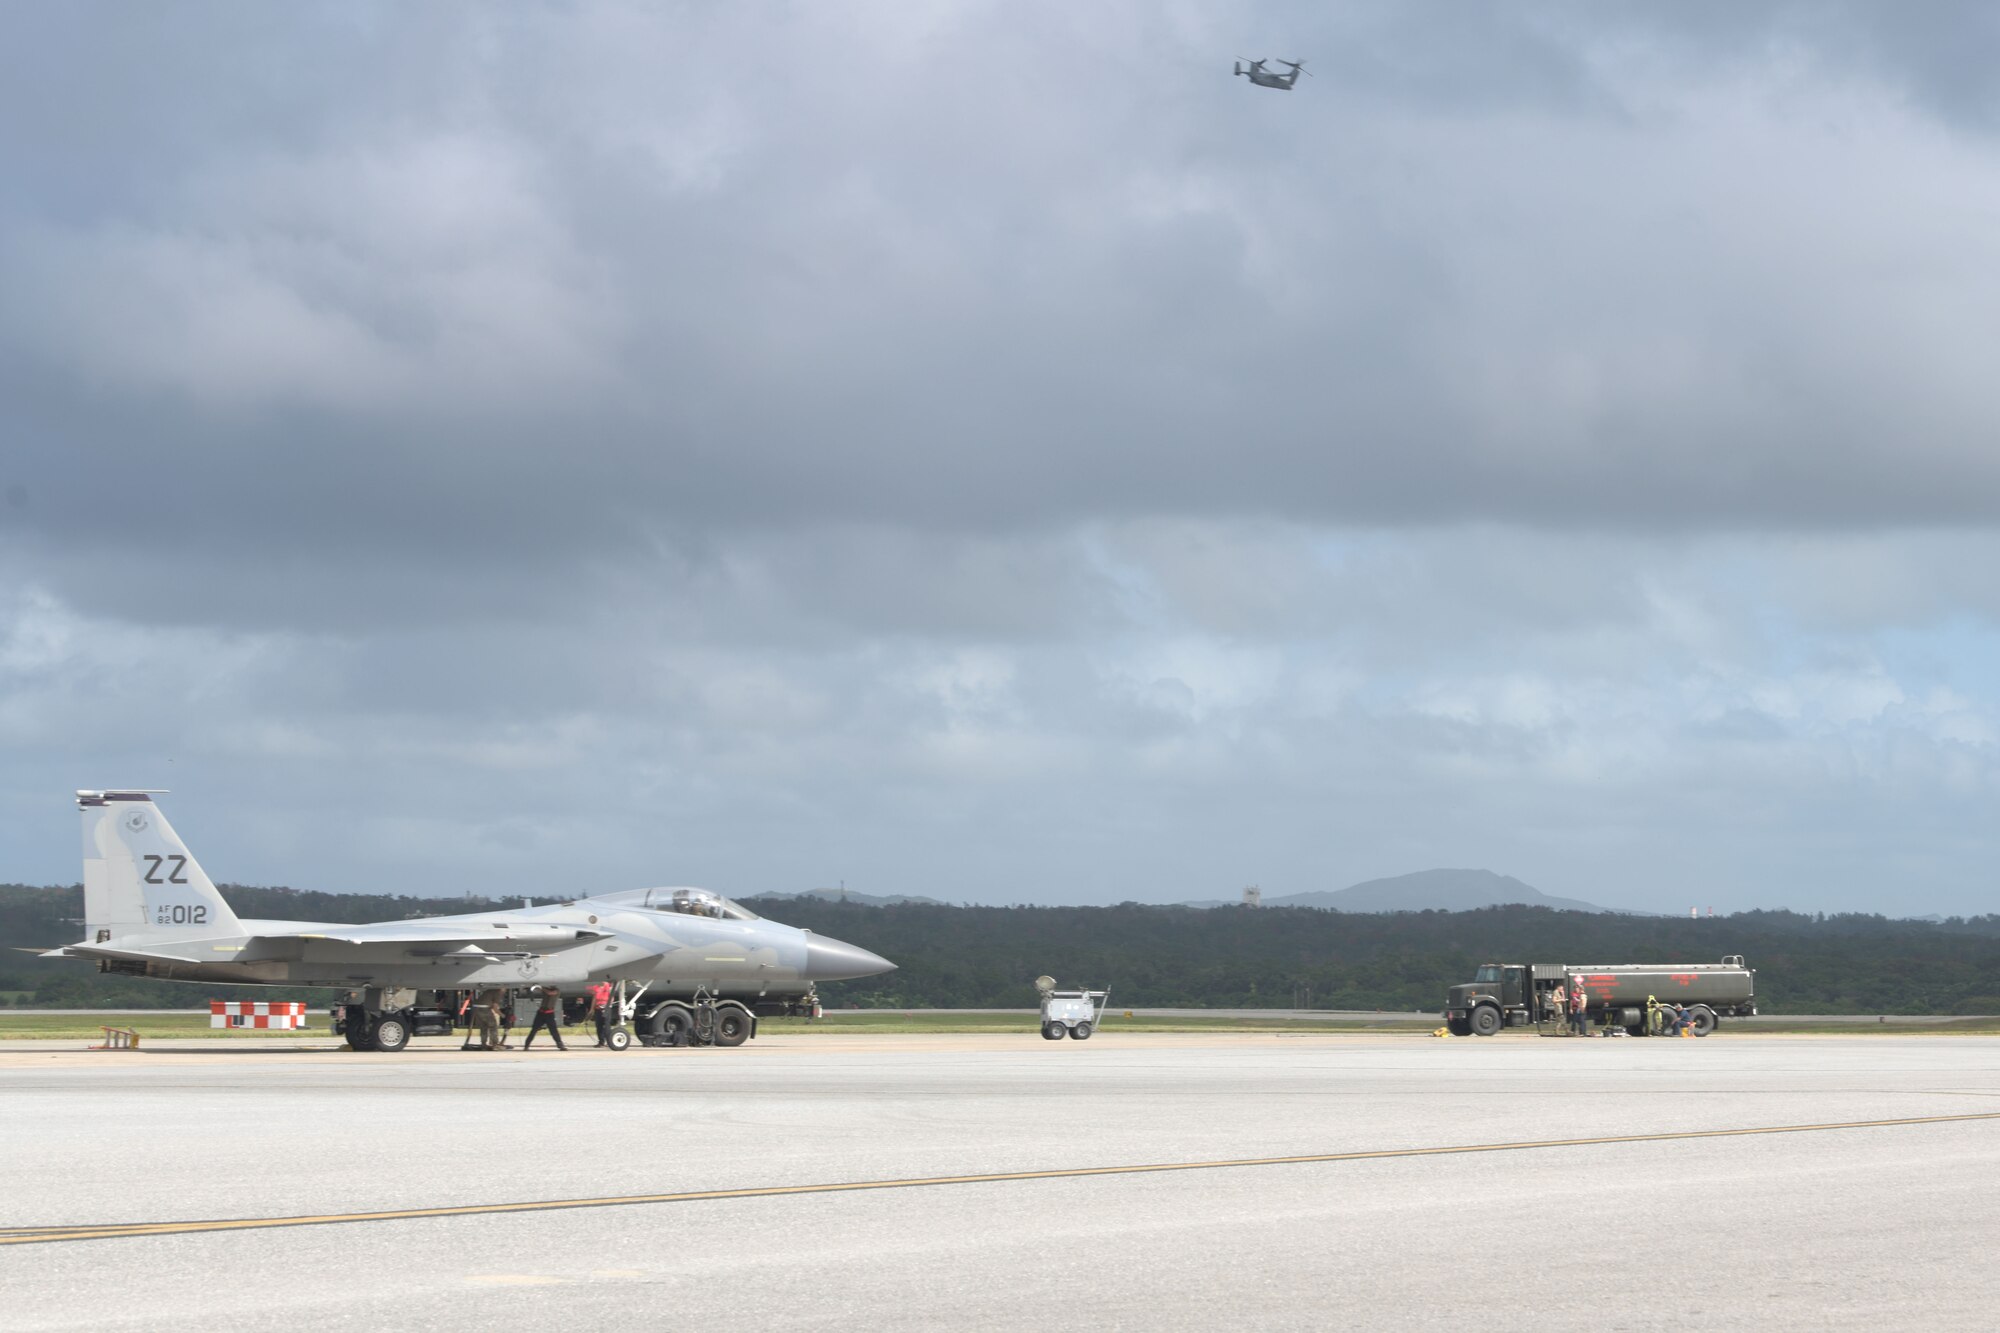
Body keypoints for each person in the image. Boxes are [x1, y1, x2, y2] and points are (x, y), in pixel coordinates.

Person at [523, 985, 567, 1051]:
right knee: (534, 1030)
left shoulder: (556, 991)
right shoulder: (545, 989)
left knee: (553, 1031)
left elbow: (550, 993)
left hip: (549, 1013)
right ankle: (526, 1045)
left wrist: (541, 987)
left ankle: (560, 1045)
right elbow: (540, 990)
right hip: (541, 1013)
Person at [589, 980, 616, 1047]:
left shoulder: (607, 986)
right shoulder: (596, 987)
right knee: (599, 1026)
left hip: (606, 1008)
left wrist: (608, 1005)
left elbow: (611, 996)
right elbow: (594, 998)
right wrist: (592, 1009)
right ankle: (601, 1042)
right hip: (598, 1008)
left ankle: (609, 1041)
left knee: (607, 1025)